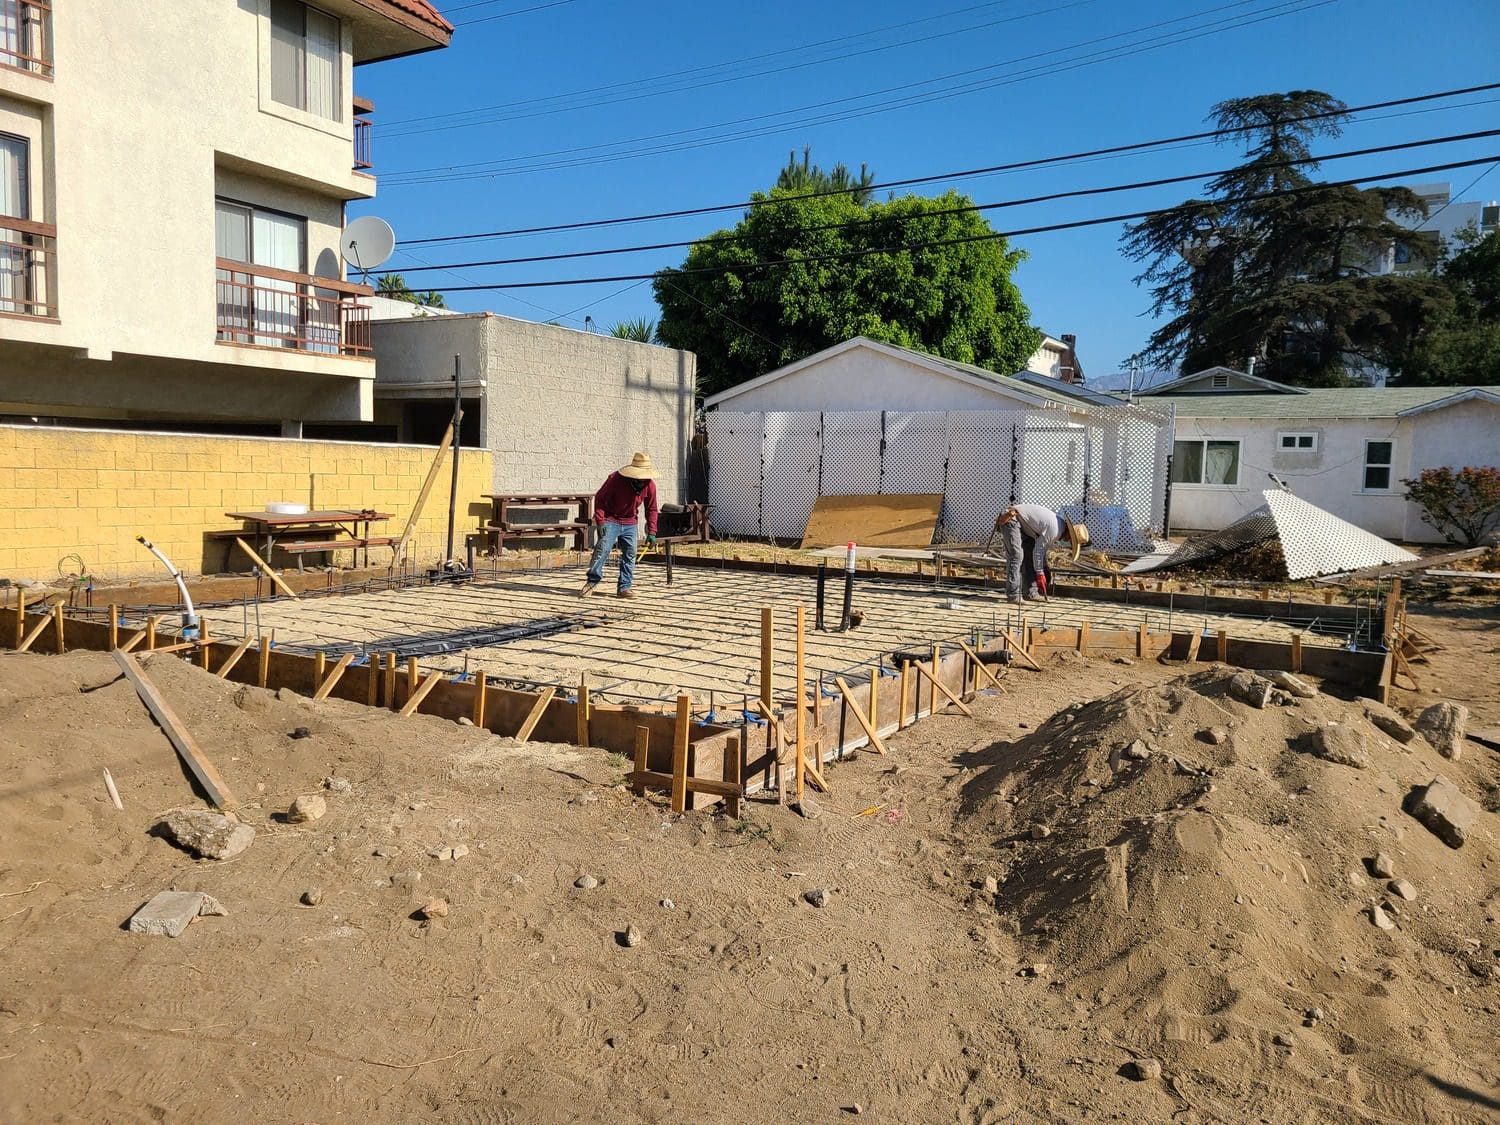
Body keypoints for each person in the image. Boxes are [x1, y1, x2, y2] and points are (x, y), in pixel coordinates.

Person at [581, 452, 659, 598]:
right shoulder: (615, 479)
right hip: (611, 519)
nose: (642, 481)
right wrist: (601, 521)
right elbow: (600, 499)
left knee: (630, 554)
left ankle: (624, 587)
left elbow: (652, 509)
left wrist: (652, 532)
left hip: (630, 522)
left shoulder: (650, 485)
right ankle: (591, 582)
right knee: (602, 550)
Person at [993, 503, 1089, 603]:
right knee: (1016, 556)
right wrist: (1040, 574)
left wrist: (1042, 569)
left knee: (1029, 555)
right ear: (1069, 534)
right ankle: (1013, 595)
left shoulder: (1059, 526)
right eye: (1071, 540)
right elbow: (1038, 551)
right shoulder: (1055, 531)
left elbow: (1038, 550)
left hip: (1025, 526)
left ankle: (1031, 593)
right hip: (1011, 518)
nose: (1068, 541)